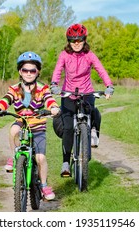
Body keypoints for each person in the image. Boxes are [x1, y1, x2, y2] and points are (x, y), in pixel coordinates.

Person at [0, 51, 60, 200]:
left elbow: (49, 100)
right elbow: (6, 100)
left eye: (32, 70)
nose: (28, 73)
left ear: (38, 71)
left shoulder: (43, 88)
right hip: (21, 120)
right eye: (25, 70)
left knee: (40, 158)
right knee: (13, 130)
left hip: (38, 124)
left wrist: (53, 107)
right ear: (20, 71)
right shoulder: (14, 89)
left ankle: (44, 185)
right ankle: (14, 156)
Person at [50, 23, 114, 177]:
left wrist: (109, 86)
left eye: (79, 40)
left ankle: (93, 132)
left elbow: (101, 69)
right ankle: (65, 163)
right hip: (68, 94)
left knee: (93, 111)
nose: (76, 44)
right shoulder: (64, 55)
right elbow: (58, 70)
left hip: (86, 92)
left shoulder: (89, 55)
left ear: (84, 40)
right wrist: (54, 85)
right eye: (73, 41)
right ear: (69, 42)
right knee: (68, 128)